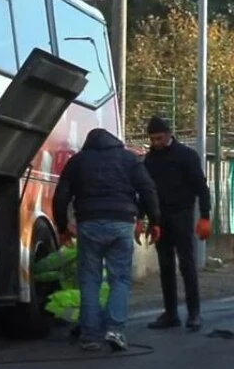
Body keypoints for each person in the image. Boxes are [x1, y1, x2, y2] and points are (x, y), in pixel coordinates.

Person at [53, 126, 161, 352]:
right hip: (121, 222)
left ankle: (90, 336)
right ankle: (115, 331)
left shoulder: (79, 161)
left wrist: (62, 227)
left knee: (90, 280)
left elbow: (61, 195)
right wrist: (155, 221)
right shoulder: (128, 159)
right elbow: (148, 189)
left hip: (89, 223)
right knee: (119, 279)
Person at [140, 116, 213, 331]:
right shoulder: (150, 160)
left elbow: (201, 187)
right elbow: (146, 190)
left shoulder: (186, 156)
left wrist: (205, 216)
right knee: (165, 266)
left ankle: (194, 313)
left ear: (169, 134)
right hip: (160, 217)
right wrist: (142, 217)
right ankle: (171, 313)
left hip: (182, 213)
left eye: (159, 138)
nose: (156, 143)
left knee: (187, 264)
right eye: (152, 139)